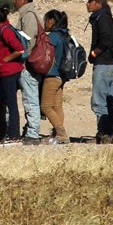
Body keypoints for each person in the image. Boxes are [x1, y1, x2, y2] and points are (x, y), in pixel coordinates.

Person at [85, 0, 113, 143]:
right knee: (110, 99)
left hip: (103, 64)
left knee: (99, 100)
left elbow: (106, 39)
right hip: (110, 65)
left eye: (90, 1)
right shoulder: (102, 17)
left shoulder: (102, 18)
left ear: (98, 3)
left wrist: (94, 53)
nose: (87, 4)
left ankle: (104, 133)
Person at [11, 0, 44, 144]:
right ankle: (30, 130)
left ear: (23, 0)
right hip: (28, 62)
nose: (14, 2)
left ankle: (33, 133)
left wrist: (21, 56)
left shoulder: (29, 16)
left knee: (30, 98)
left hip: (29, 64)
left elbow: (29, 42)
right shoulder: (28, 14)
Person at [0, 4, 25, 144]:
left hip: (9, 71)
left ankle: (14, 134)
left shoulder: (6, 31)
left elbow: (19, 49)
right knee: (4, 101)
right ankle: (5, 132)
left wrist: (4, 60)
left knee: (11, 103)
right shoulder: (1, 30)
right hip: (3, 71)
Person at [40, 10, 70, 144]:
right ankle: (57, 135)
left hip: (52, 75)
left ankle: (61, 132)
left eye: (46, 20)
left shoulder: (52, 37)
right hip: (61, 75)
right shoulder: (64, 35)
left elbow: (44, 54)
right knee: (57, 106)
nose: (44, 23)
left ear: (51, 21)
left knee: (45, 106)